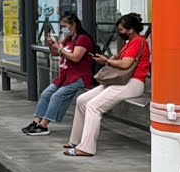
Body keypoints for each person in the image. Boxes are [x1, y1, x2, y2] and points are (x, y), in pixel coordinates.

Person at [64, 13, 151, 157]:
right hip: (122, 81)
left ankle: (86, 148)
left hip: (132, 83)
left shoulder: (137, 42)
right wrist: (111, 59)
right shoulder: (131, 42)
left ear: (130, 30)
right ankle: (75, 141)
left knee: (93, 106)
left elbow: (125, 64)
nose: (119, 32)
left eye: (121, 30)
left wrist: (106, 61)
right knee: (82, 100)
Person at [22, 13, 94, 135]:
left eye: (65, 26)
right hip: (65, 76)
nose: (63, 29)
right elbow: (56, 54)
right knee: (46, 93)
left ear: (73, 25)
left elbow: (76, 57)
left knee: (57, 96)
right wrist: (52, 46)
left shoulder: (83, 39)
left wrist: (59, 48)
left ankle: (44, 125)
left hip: (79, 76)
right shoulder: (69, 39)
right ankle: (36, 121)